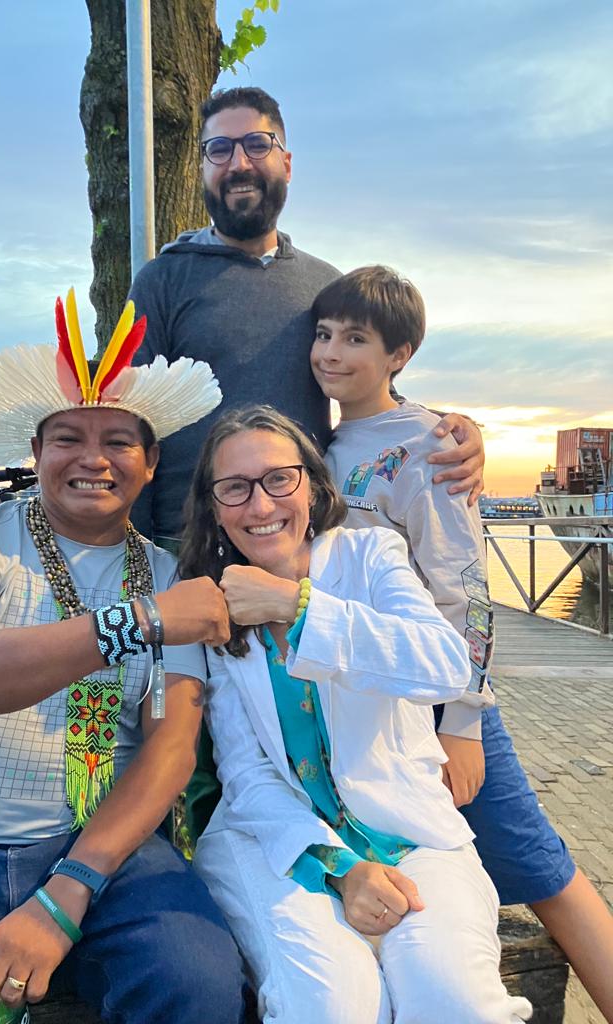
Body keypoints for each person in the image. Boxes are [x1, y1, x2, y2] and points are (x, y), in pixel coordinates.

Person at [0, 290, 246, 1024]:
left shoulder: (168, 578)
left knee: (199, 982)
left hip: (102, 847)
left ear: (151, 462)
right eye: (67, 438)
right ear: (35, 454)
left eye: (119, 441)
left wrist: (68, 892)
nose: (93, 459)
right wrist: (140, 622)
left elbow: (170, 750)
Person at [128, 84, 486, 839]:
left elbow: (364, 382)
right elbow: (133, 416)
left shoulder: (321, 283)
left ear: (285, 160)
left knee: (304, 739)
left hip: (300, 548)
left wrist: (448, 430)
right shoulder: (165, 278)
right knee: (194, 753)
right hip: (187, 546)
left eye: (255, 144)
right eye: (219, 149)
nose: (238, 162)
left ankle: (332, 862)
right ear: (202, 167)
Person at [311, 264, 613, 1022]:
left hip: (439, 698)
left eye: (355, 339)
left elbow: (467, 595)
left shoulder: (427, 445)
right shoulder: (323, 440)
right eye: (324, 334)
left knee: (542, 870)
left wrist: (465, 724)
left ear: (399, 355)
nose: (331, 352)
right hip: (363, 699)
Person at [178, 405, 532, 1024]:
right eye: (234, 488)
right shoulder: (214, 605)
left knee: (455, 1002)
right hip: (280, 844)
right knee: (330, 1006)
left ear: (313, 488)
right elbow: (247, 773)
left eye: (279, 479)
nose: (260, 505)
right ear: (214, 508)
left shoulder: (371, 555)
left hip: (410, 834)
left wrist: (296, 605)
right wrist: (341, 869)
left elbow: (444, 664)